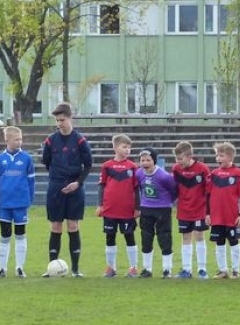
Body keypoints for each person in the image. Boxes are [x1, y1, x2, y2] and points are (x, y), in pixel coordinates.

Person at [41, 102, 93, 277]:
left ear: (70, 118)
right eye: (57, 120)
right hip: (56, 187)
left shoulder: (80, 140)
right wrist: (58, 179)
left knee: (72, 225)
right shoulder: (50, 140)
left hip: (75, 187)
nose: (59, 124)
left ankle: (76, 269)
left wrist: (77, 183)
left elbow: (88, 165)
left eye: (62, 120)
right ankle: (51, 268)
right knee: (55, 226)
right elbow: (46, 161)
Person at [0, 126, 35, 278]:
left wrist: (29, 199)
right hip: (5, 204)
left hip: (21, 203)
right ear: (7, 140)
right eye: (16, 139)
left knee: (20, 234)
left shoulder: (27, 159)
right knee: (4, 235)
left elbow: (31, 181)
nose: (19, 142)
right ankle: (2, 268)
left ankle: (19, 267)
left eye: (21, 139)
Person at [96, 134, 140, 278]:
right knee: (110, 237)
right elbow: (102, 187)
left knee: (129, 237)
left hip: (127, 210)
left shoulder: (133, 167)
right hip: (110, 209)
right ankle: (111, 267)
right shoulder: (107, 166)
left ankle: (133, 267)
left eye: (129, 147)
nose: (127, 150)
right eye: (124, 147)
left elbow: (136, 189)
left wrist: (137, 208)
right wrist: (100, 205)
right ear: (115, 147)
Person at [207, 142, 240, 279]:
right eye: (217, 155)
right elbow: (208, 195)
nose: (218, 158)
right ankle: (222, 270)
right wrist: (207, 213)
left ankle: (236, 270)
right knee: (219, 242)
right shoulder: (214, 174)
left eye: (221, 155)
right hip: (217, 216)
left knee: (233, 241)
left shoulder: (238, 174)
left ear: (230, 157)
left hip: (231, 216)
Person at [171, 141, 211, 279]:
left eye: (181, 158)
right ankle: (187, 270)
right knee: (186, 237)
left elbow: (208, 191)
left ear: (189, 156)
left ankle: (202, 269)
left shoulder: (203, 169)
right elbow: (175, 189)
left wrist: (208, 211)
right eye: (177, 159)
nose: (178, 161)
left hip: (199, 208)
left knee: (199, 235)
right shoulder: (176, 169)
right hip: (183, 209)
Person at [135, 147, 177, 278]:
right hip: (146, 209)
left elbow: (174, 191)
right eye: (142, 160)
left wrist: (166, 203)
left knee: (164, 237)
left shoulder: (163, 176)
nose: (145, 163)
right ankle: (147, 269)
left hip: (162, 209)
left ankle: (167, 269)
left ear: (154, 160)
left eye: (148, 160)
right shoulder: (139, 174)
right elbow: (140, 189)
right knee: (146, 238)